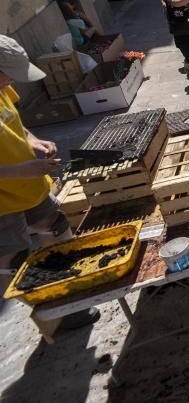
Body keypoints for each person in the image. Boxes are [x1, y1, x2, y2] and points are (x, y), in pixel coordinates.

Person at [0, 36, 100, 330]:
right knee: (12, 259)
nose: (11, 83)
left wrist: (34, 141)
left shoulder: (3, 88)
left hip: (29, 186)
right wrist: (25, 169)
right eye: (8, 75)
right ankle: (51, 318)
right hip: (3, 201)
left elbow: (16, 123)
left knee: (55, 224)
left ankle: (73, 290)